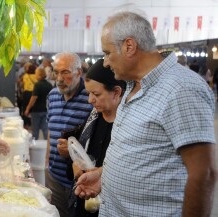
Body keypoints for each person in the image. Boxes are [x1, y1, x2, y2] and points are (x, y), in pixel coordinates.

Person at [75, 11, 217, 217]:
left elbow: (204, 174)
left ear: (129, 46)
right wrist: (104, 176)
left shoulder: (182, 88)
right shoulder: (133, 85)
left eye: (107, 53)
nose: (105, 62)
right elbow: (143, 152)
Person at [57, 59, 125, 217]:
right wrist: (75, 164)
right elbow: (81, 152)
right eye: (89, 94)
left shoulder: (127, 126)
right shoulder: (93, 117)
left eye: (96, 94)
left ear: (116, 92)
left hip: (112, 206)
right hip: (84, 200)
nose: (90, 100)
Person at [46, 52, 93, 217]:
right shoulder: (52, 96)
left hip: (80, 181)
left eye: (65, 72)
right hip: (54, 177)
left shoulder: (91, 99)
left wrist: (73, 153)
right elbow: (51, 133)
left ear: (78, 73)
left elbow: (99, 142)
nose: (59, 78)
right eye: (56, 72)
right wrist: (46, 165)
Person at [24, 67, 53, 140]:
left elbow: (34, 98)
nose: (35, 75)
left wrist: (27, 108)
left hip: (36, 111)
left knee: (35, 130)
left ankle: (35, 146)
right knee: (46, 130)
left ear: (39, 75)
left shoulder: (37, 85)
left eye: (36, 74)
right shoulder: (49, 85)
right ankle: (48, 146)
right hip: (46, 110)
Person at [21, 62, 37, 129]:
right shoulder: (36, 76)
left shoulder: (25, 76)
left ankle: (26, 124)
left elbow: (23, 83)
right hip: (34, 93)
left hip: (26, 93)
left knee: (25, 108)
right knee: (33, 109)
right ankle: (32, 124)